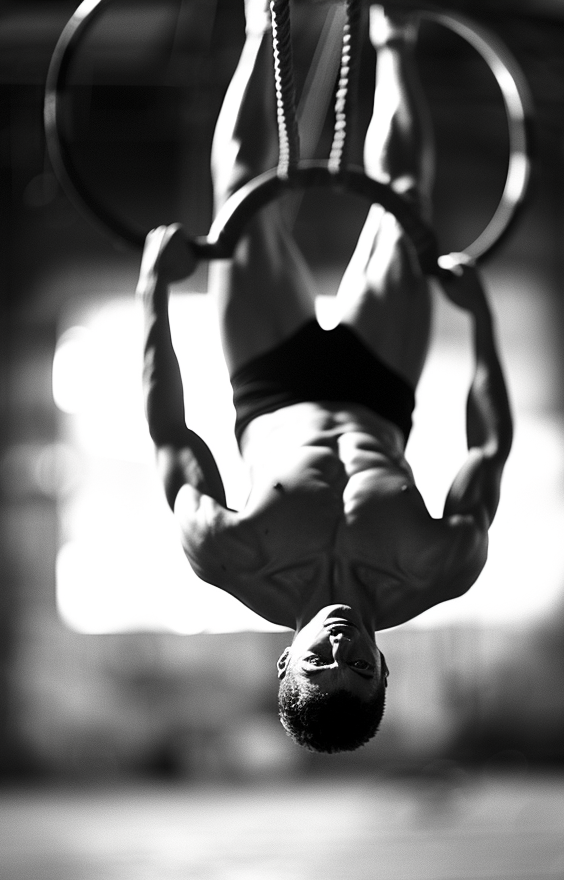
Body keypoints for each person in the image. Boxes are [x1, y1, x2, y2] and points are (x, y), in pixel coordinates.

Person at [138, 3, 512, 753]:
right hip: (382, 383)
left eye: (319, 662)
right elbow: (489, 450)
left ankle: (256, 24)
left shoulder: (230, 555)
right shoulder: (440, 567)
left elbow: (171, 437)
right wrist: (480, 323)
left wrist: (153, 291)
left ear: (286, 661)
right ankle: (395, 31)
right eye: (359, 668)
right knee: (405, 200)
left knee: (243, 191)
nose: (340, 647)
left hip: (268, 380)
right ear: (384, 670)